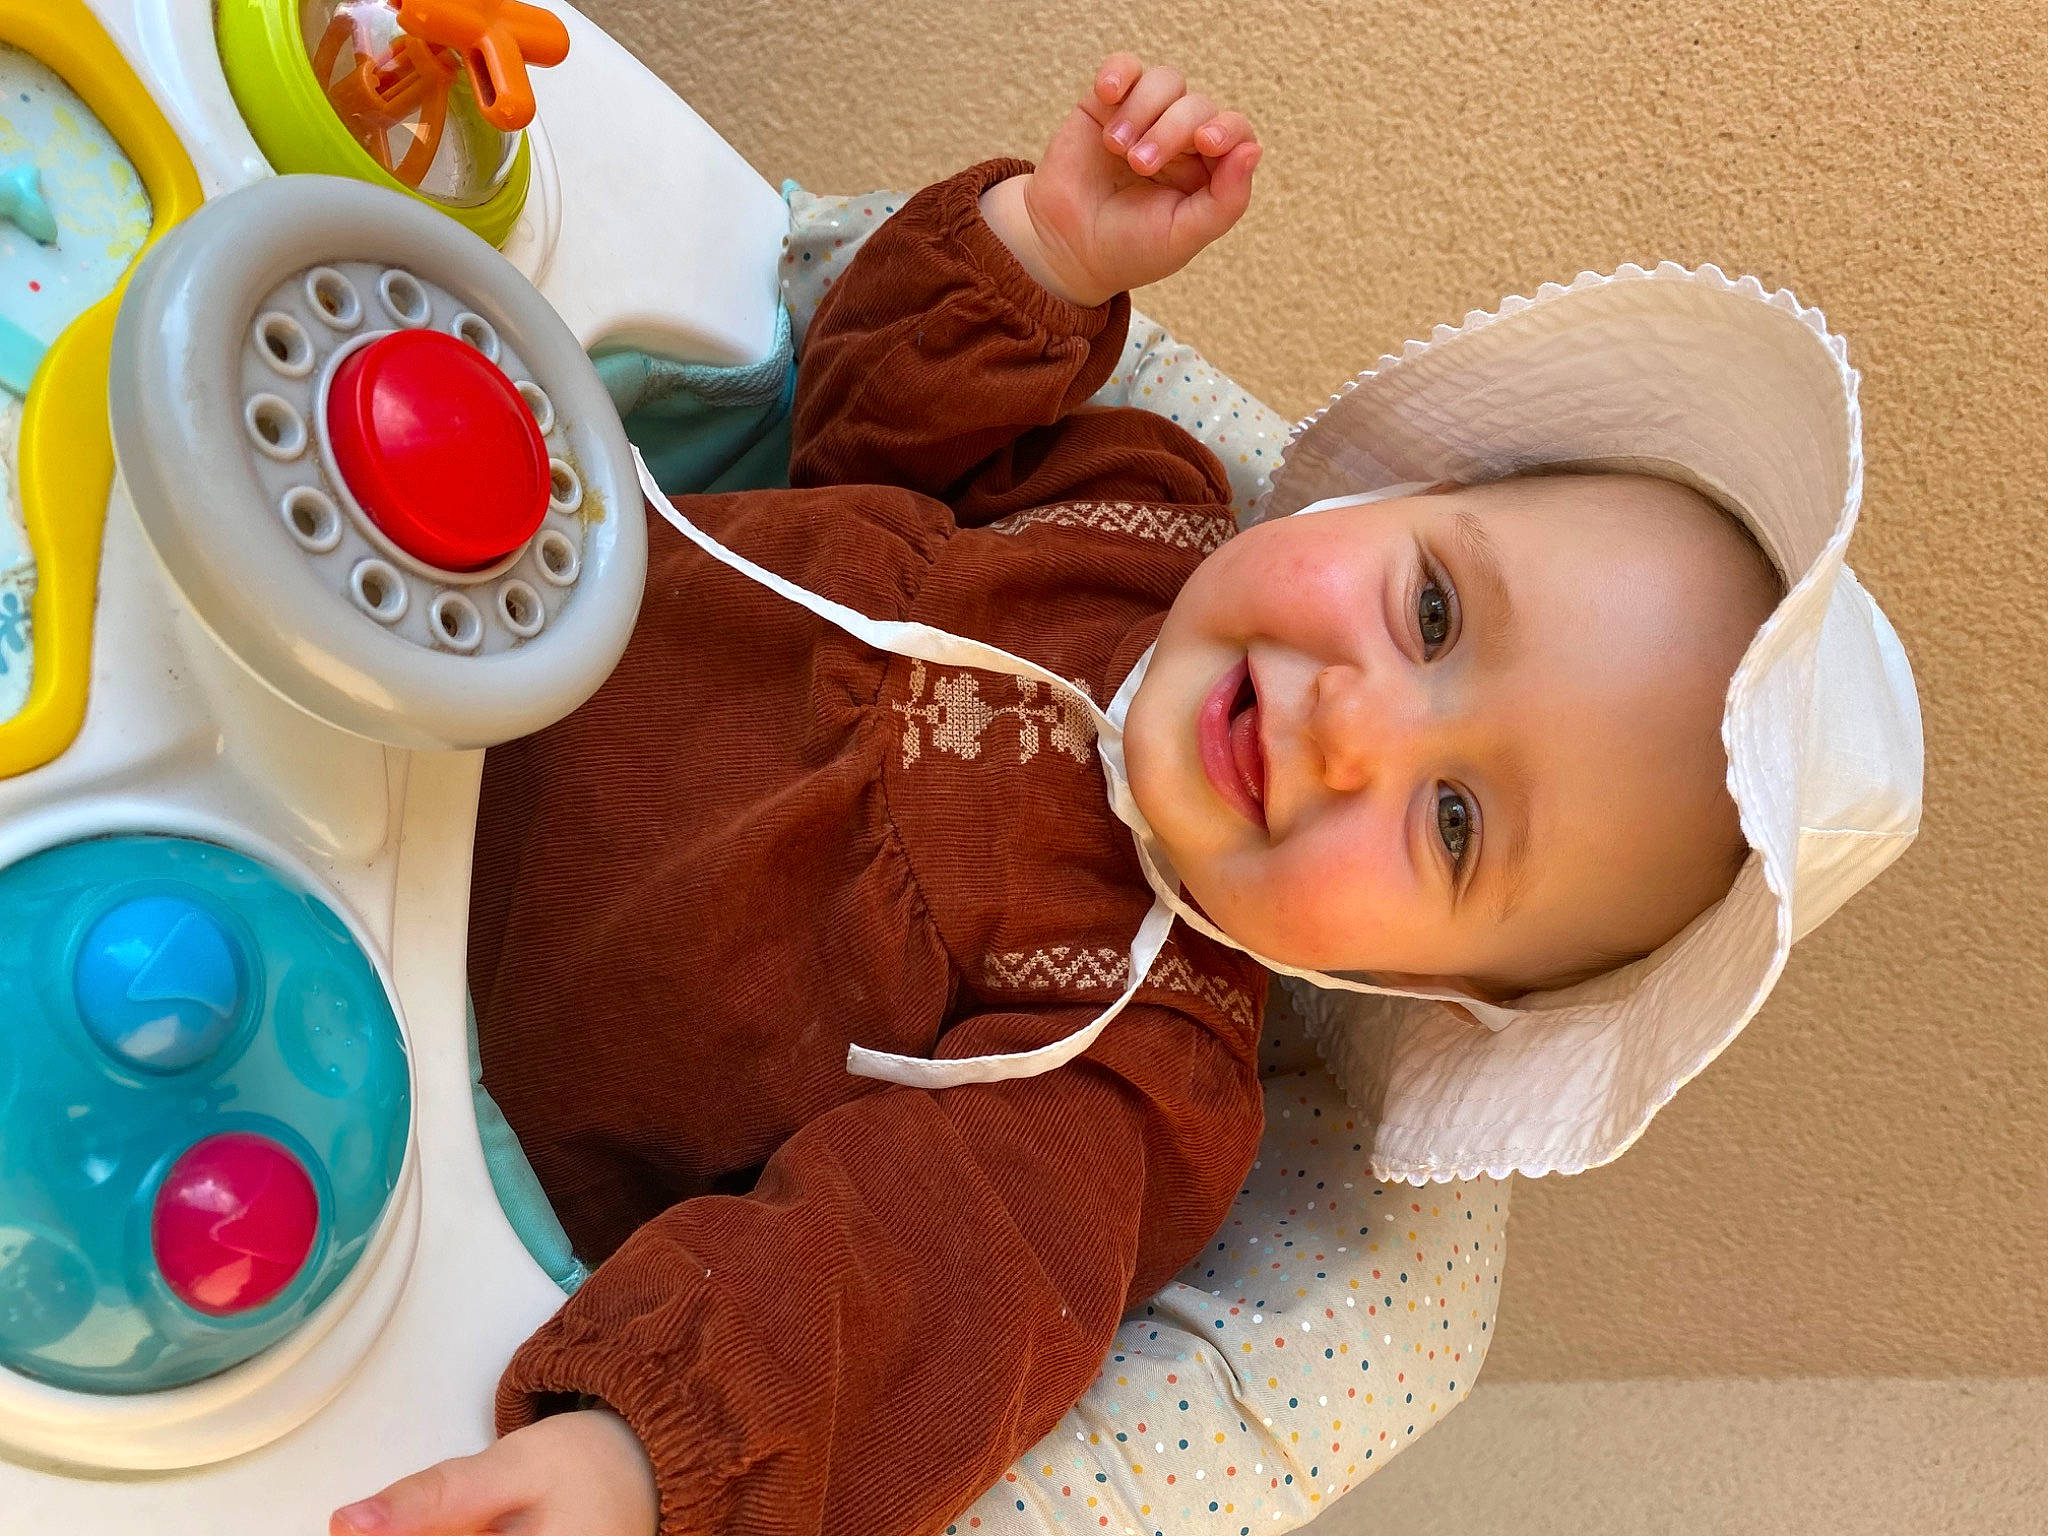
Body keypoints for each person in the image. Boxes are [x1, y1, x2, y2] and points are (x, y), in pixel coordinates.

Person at [331, 49, 1919, 1536]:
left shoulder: (1143, 1076)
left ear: (1414, 985)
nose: (1362, 727)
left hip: (386, 1029)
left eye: (1453, 825)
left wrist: (640, 1455)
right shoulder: (1137, 499)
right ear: (1390, 500)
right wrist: (1050, 248)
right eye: (1433, 613)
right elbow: (856, 415)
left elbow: (902, 1283)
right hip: (418, 598)